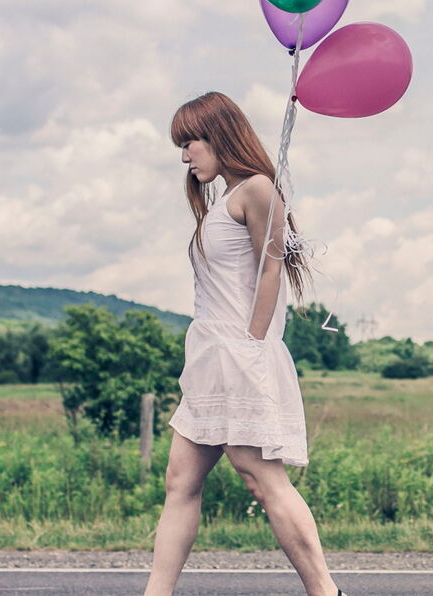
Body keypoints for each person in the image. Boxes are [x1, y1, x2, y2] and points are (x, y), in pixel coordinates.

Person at [143, 92, 347, 596]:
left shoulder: (257, 189)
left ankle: (326, 592)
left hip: (239, 357)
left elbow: (271, 270)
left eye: (189, 143)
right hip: (210, 361)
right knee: (179, 482)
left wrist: (253, 346)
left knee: (262, 479)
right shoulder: (224, 200)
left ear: (218, 134)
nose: (184, 157)